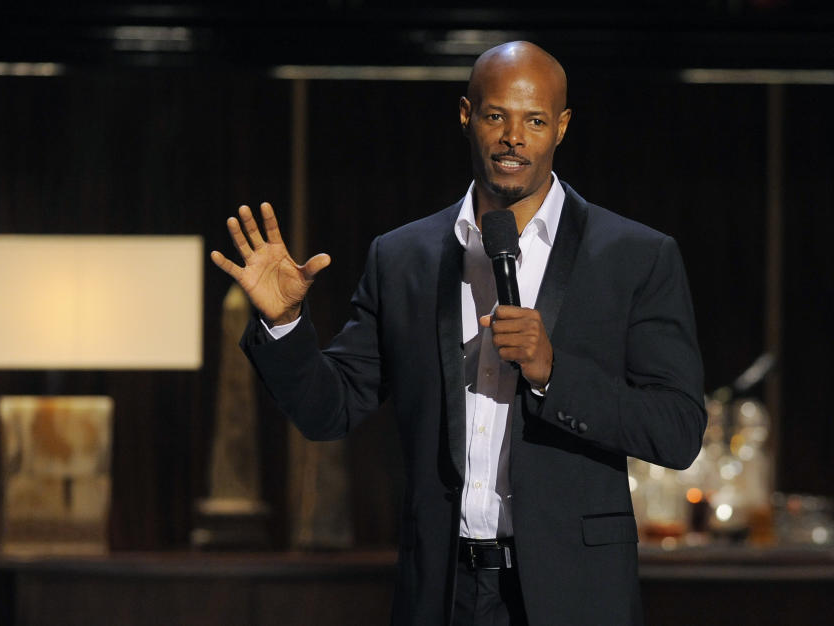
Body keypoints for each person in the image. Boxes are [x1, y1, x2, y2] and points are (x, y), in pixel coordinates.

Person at [211, 41, 706, 626]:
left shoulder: (635, 257)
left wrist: (553, 373)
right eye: (497, 116)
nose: (514, 138)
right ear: (467, 115)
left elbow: (677, 432)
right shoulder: (403, 258)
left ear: (563, 127)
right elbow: (330, 411)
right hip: (442, 592)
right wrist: (284, 322)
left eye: (536, 120)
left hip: (576, 595)